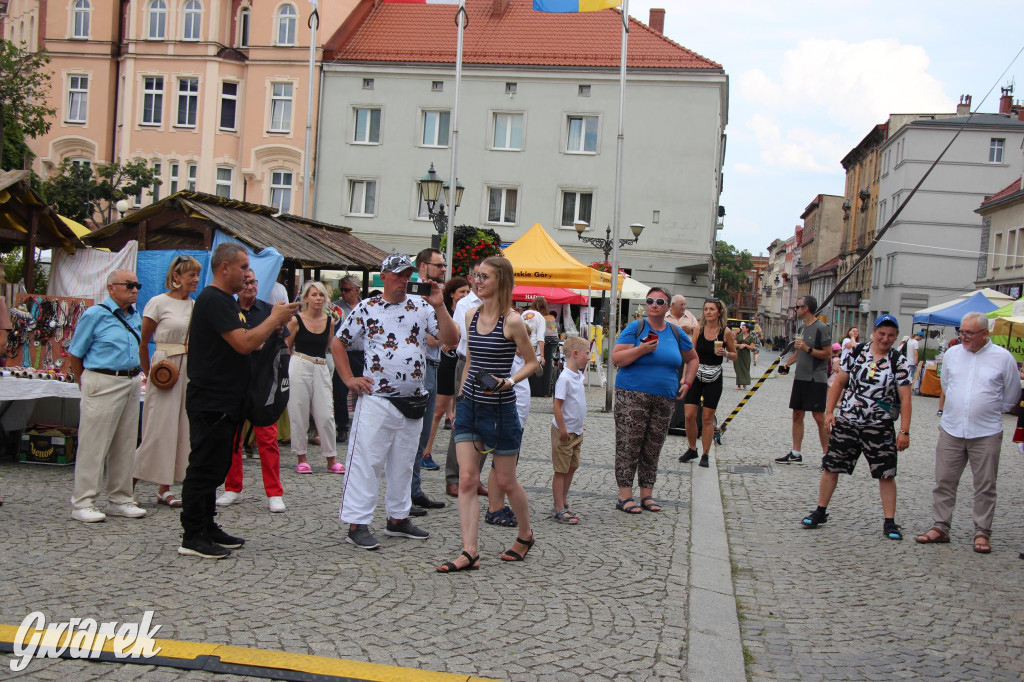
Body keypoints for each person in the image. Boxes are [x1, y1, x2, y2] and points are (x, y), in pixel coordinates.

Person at [178, 243, 299, 559]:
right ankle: (192, 535)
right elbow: (244, 343)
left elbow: (247, 344)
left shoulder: (226, 302)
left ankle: (207, 525)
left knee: (216, 466)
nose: (248, 274)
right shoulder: (214, 300)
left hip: (228, 397)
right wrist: (274, 319)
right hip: (211, 398)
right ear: (224, 267)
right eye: (244, 267)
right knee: (204, 467)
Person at [332, 253, 458, 551]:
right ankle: (357, 523)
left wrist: (440, 305)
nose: (404, 280)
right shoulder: (367, 307)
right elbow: (339, 341)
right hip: (377, 398)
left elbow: (451, 338)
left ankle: (398, 518)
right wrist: (349, 378)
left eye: (408, 275)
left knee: (403, 462)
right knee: (367, 461)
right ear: (384, 276)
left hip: (412, 399)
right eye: (399, 274)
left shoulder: (422, 306)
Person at [437, 256, 538, 573]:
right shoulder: (469, 314)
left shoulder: (512, 321)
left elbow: (532, 362)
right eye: (475, 276)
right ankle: (470, 552)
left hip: (501, 408)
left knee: (506, 480)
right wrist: (460, 397)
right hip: (470, 405)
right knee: (467, 479)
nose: (476, 281)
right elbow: (468, 360)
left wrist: (507, 381)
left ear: (501, 281)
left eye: (484, 277)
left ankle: (525, 534)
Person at [915, 312, 1019, 554]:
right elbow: (948, 386)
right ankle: (940, 526)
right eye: (961, 332)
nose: (964, 337)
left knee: (985, 484)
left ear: (985, 334)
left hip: (986, 431)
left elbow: (1011, 395)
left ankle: (982, 532)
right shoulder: (952, 354)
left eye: (969, 333)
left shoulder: (1003, 358)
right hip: (952, 428)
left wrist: (985, 409)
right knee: (944, 481)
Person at [800, 314, 912, 541]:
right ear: (874, 332)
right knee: (831, 466)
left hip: (879, 425)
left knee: (886, 473)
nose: (885, 338)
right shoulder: (857, 352)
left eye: (891, 335)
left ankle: (889, 522)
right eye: (882, 333)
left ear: (895, 337)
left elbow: (906, 397)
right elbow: (840, 382)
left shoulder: (898, 361)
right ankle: (820, 511)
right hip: (848, 420)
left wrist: (904, 430)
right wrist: (829, 412)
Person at [67, 270, 148, 523]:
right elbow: (75, 354)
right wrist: (86, 383)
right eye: (129, 285)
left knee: (125, 443)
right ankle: (83, 502)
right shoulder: (95, 314)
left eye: (137, 285)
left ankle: (121, 498)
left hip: (130, 380)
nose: (135, 289)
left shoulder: (135, 315)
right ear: (112, 288)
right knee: (94, 444)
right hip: (102, 379)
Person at [612, 288, 698, 514]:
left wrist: (687, 382)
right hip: (632, 395)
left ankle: (647, 495)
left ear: (668, 306)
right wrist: (641, 349)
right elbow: (617, 358)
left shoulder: (676, 333)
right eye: (650, 300)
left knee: (653, 447)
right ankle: (624, 496)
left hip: (665, 398)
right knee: (629, 445)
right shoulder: (636, 328)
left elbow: (693, 359)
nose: (654, 304)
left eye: (660, 301)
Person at [216, 269, 287, 513]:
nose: (250, 286)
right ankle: (233, 487)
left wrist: (271, 338)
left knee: (267, 438)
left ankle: (274, 493)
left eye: (254, 282)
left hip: (263, 382)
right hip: (234, 382)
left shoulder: (269, 310)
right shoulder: (228, 310)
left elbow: (283, 343)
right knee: (231, 439)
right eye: (245, 282)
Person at [134, 255, 202, 508]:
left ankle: (165, 488)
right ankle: (128, 484)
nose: (195, 279)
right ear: (176, 277)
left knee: (180, 427)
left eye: (197, 275)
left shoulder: (195, 305)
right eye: (190, 275)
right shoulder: (158, 302)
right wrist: (147, 371)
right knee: (157, 426)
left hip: (187, 366)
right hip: (165, 366)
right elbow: (143, 340)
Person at [286, 281, 341, 475]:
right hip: (300, 363)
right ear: (306, 298)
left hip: (320, 365)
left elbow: (327, 347)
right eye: (314, 294)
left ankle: (331, 459)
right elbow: (287, 346)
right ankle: (301, 457)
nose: (318, 298)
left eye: (321, 295)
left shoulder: (330, 321)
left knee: (326, 414)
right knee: (299, 411)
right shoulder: (296, 320)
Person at [410, 248, 449, 514]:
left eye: (444, 265)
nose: (444, 269)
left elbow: (446, 336)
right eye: (439, 265)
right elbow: (431, 337)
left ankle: (414, 490)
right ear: (423, 267)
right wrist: (440, 336)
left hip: (434, 365)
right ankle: (406, 494)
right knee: (412, 434)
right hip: (420, 367)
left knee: (423, 435)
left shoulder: (435, 297)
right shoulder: (414, 296)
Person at [444, 260, 487, 499]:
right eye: (478, 276)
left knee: (486, 421)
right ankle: (453, 477)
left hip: (489, 367)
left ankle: (475, 477)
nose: (481, 281)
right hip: (467, 364)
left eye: (485, 276)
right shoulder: (465, 303)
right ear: (471, 278)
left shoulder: (496, 302)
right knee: (462, 420)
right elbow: (466, 336)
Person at [680, 298, 736, 468]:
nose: (708, 312)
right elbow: (690, 355)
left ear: (719, 312)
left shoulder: (725, 332)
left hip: (714, 376)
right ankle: (692, 448)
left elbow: (735, 355)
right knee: (689, 415)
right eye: (706, 309)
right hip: (696, 374)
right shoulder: (699, 329)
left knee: (707, 417)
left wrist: (725, 353)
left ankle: (705, 454)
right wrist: (684, 377)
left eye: (712, 309)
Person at [776, 296, 832, 465]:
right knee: (797, 414)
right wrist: (787, 363)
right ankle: (796, 452)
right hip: (801, 377)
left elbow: (827, 354)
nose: (796, 309)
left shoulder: (821, 328)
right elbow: (799, 351)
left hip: (816, 378)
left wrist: (808, 349)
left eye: (797, 307)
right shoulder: (801, 328)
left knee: (818, 416)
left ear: (806, 308)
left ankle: (827, 455)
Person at [422, 276, 470, 471]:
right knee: (437, 410)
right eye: (461, 292)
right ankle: (426, 451)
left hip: (457, 362)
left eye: (467, 292)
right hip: (443, 363)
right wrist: (447, 339)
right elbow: (435, 338)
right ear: (451, 293)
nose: (465, 296)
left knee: (454, 410)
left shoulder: (465, 311)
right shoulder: (443, 311)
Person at [550, 335, 590, 525]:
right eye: (587, 353)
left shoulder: (578, 376)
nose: (589, 357)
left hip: (577, 431)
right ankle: (558, 507)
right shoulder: (565, 378)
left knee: (572, 466)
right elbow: (557, 406)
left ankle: (564, 501)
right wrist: (563, 430)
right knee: (561, 469)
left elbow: (576, 404)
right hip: (565, 432)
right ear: (575, 354)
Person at [331, 275, 362, 442]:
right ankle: (342, 427)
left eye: (347, 290)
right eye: (341, 289)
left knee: (364, 391)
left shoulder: (366, 306)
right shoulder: (336, 307)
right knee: (340, 391)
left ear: (357, 290)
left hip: (362, 354)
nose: (343, 293)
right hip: (344, 353)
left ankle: (361, 426)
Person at [521, 296, 548, 396]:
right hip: (533, 347)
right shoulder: (540, 318)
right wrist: (542, 356)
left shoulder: (524, 314)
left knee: (521, 368)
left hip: (520, 345)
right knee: (529, 370)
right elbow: (540, 338)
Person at [734, 321, 754, 390]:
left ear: (747, 329)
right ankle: (739, 385)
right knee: (738, 369)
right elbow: (734, 344)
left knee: (745, 369)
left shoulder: (751, 337)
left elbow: (752, 347)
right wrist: (740, 345)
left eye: (743, 327)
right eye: (742, 327)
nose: (742, 329)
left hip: (746, 355)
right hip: (738, 354)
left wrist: (745, 345)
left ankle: (745, 383)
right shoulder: (739, 336)